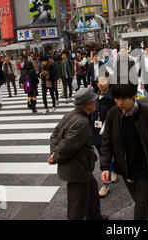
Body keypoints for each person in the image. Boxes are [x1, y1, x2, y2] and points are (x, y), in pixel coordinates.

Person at [100, 84, 148, 220]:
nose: (119, 103)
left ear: (133, 96)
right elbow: (106, 142)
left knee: (139, 214)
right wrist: (105, 167)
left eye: (123, 99)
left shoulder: (147, 113)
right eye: (116, 98)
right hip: (126, 171)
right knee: (141, 204)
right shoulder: (113, 113)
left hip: (144, 172)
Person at [49, 88, 104, 220]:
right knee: (77, 205)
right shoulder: (82, 123)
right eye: (93, 99)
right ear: (88, 104)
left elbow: (55, 135)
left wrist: (53, 152)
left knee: (92, 189)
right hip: (77, 168)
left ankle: (95, 216)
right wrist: (55, 156)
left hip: (78, 166)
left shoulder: (71, 115)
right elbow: (68, 145)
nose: (96, 100)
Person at [90, 75, 117, 198]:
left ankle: (106, 185)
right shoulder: (94, 96)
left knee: (105, 158)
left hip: (109, 133)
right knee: (104, 156)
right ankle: (113, 170)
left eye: (103, 81)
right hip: (95, 132)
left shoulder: (113, 98)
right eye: (98, 82)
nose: (100, 84)